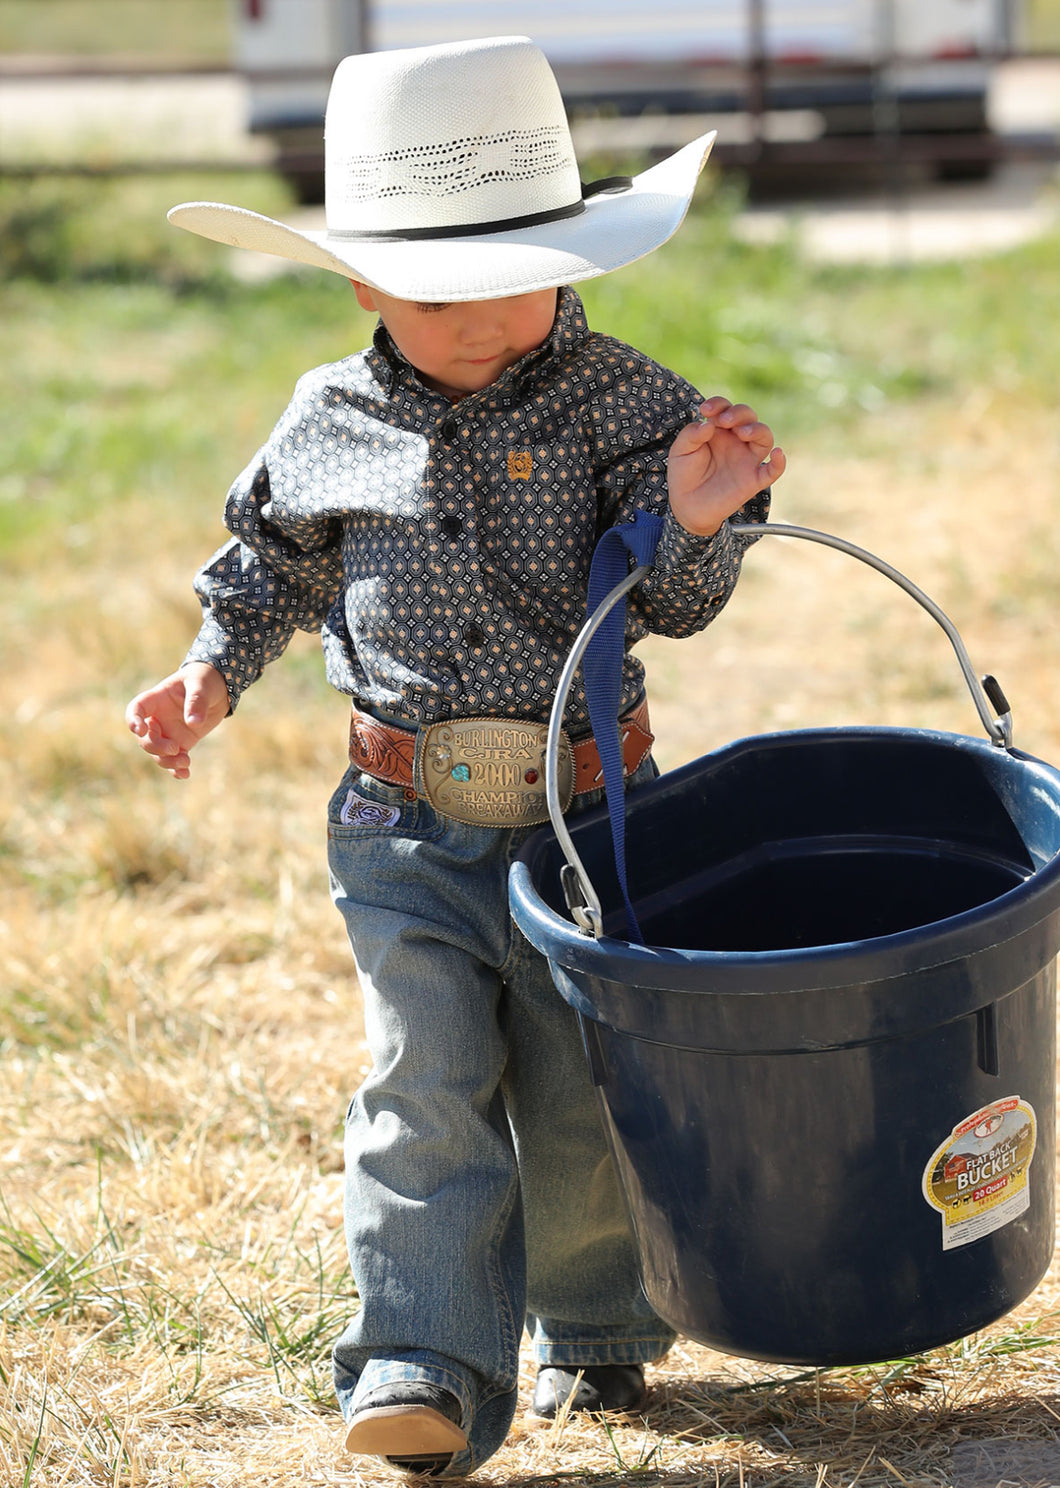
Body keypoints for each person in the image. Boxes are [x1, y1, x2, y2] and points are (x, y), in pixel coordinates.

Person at [125, 34, 785, 1478]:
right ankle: (419, 1360)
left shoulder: (628, 403)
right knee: (423, 1075)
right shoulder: (326, 421)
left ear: (574, 260)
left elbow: (670, 603)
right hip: (401, 815)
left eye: (519, 278)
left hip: (590, 814)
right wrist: (207, 676)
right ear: (360, 280)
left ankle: (600, 1332)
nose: (486, 319)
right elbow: (265, 572)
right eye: (437, 294)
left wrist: (697, 513)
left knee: (575, 1084)